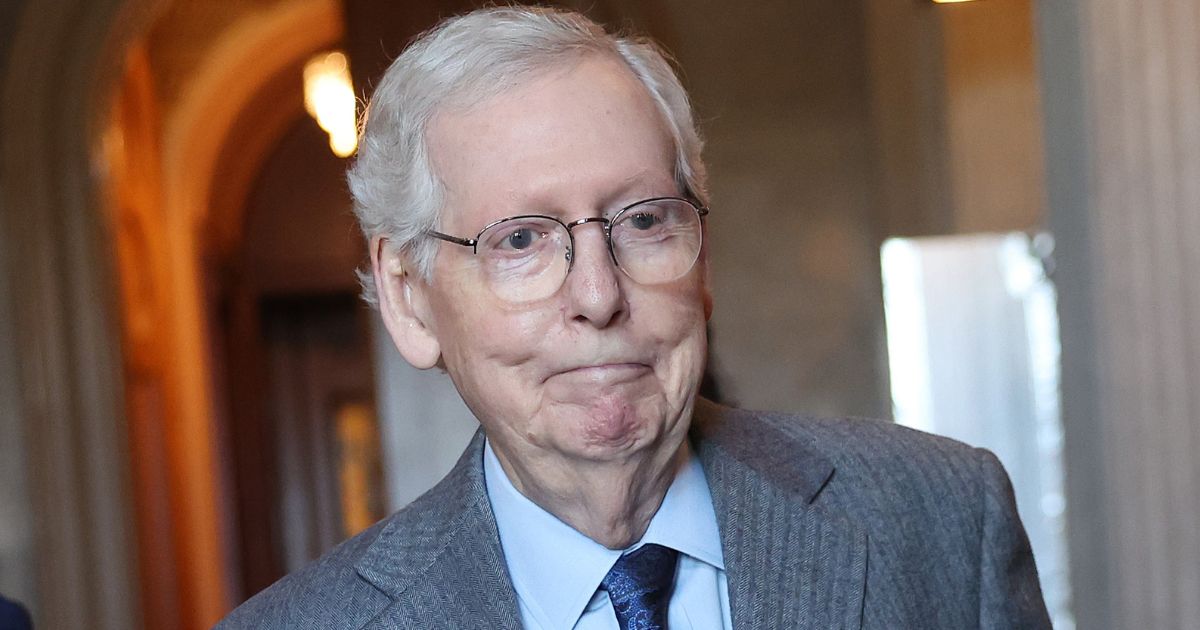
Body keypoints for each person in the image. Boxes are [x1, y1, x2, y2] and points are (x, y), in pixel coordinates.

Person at [219, 6, 1050, 629]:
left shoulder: (940, 517)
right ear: (409, 299)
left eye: (644, 221)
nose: (598, 294)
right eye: (521, 240)